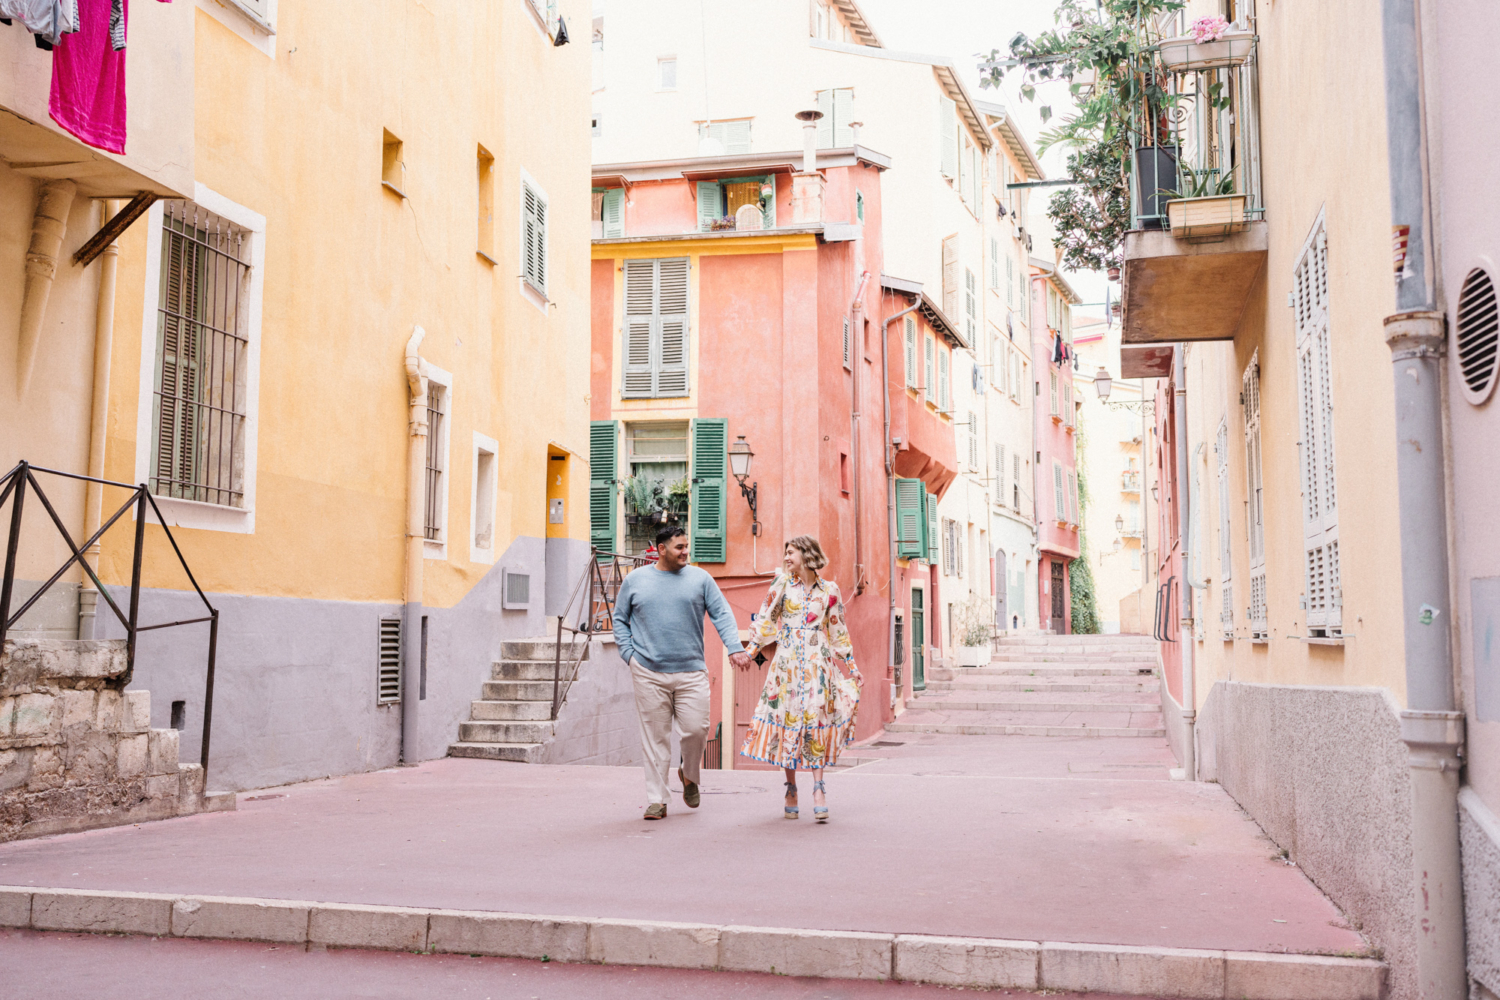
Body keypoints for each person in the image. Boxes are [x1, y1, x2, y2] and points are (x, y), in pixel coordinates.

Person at [612, 525, 752, 820]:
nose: (685, 551)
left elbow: (722, 613)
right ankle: (657, 799)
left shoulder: (700, 578)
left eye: (686, 546)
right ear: (661, 550)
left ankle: (688, 775)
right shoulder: (636, 580)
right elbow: (620, 619)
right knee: (655, 737)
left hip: (691, 671)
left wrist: (735, 647)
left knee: (696, 730)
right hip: (648, 670)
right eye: (679, 547)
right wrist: (629, 656)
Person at [738, 536, 861, 823]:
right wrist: (750, 652)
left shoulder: (830, 590)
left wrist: (851, 666)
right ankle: (791, 787)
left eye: (791, 552)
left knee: (817, 719)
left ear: (806, 554)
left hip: (819, 665)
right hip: (787, 666)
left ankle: (819, 789)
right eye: (786, 553)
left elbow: (838, 631)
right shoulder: (781, 585)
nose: (786, 557)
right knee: (787, 719)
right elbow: (765, 620)